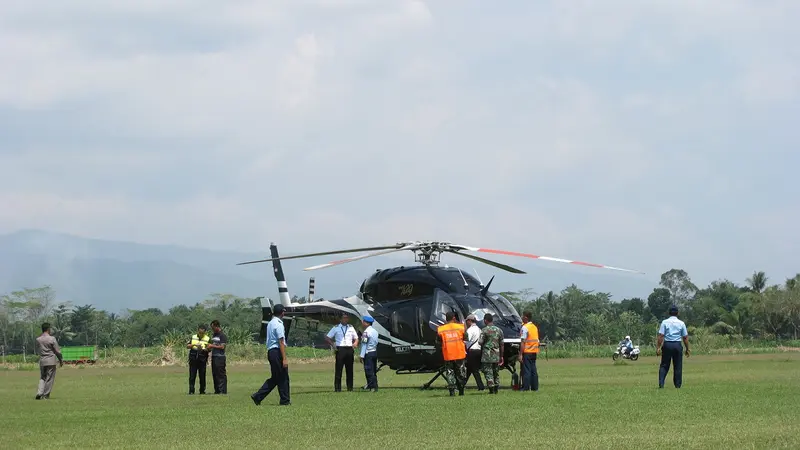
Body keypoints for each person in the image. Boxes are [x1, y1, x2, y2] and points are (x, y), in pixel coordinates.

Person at [251, 304, 290, 405]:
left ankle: (259, 397)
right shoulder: (279, 324)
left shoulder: (271, 323)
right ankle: (283, 400)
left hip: (271, 352)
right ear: (282, 312)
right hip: (277, 352)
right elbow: (281, 341)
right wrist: (284, 358)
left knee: (278, 377)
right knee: (282, 377)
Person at [656, 305, 690, 389]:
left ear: (669, 313)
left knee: (664, 365)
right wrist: (687, 349)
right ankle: (677, 385)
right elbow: (685, 337)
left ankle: (661, 384)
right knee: (678, 365)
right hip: (677, 345)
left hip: (667, 344)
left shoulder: (664, 322)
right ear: (677, 313)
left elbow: (661, 335)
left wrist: (658, 347)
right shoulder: (681, 323)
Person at [325, 312, 359, 392]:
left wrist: (355, 343)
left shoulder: (351, 327)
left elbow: (356, 338)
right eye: (344, 318)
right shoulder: (336, 328)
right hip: (340, 349)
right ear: (340, 319)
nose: (345, 319)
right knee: (338, 370)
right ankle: (337, 388)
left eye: (347, 318)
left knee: (350, 370)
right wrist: (333, 344)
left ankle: (350, 388)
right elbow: (327, 337)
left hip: (349, 349)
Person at [436, 311, 467, 396]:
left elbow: (438, 342)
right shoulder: (460, 327)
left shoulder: (441, 329)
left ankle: (452, 392)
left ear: (446, 318)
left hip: (448, 354)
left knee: (450, 372)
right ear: (454, 318)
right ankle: (461, 391)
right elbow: (466, 338)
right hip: (459, 354)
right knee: (461, 372)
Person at [35, 322, 63, 400]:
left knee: (42, 377)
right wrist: (61, 360)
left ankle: (39, 392)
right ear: (48, 329)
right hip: (51, 360)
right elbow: (57, 351)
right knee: (50, 378)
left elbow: (38, 350)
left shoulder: (38, 339)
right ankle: (45, 395)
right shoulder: (52, 339)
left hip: (42, 361)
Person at [478, 313, 504, 394]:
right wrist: (501, 356)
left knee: (488, 371)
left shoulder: (484, 330)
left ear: (485, 320)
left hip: (487, 355)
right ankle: (496, 387)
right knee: (496, 371)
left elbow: (480, 342)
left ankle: (491, 389)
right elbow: (502, 344)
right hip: (496, 354)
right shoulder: (499, 330)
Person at [518, 311, 540, 392]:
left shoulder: (525, 327)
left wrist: (520, 354)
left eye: (523, 316)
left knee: (526, 370)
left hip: (527, 351)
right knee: (533, 370)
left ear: (526, 318)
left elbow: (523, 341)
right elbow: (537, 341)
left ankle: (525, 387)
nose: (521, 318)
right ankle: (535, 387)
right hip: (534, 351)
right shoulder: (534, 327)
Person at [186, 324, 210, 395]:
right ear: (198, 331)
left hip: (202, 358)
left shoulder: (208, 338)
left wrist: (204, 349)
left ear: (205, 332)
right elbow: (187, 346)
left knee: (202, 376)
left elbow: (210, 349)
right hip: (193, 358)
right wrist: (194, 345)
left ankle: (202, 391)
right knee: (192, 376)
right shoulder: (193, 337)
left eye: (202, 333)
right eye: (200, 332)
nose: (201, 334)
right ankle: (191, 391)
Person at [464, 314, 485, 391]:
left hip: (472, 351)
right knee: (469, 369)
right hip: (478, 351)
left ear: (469, 321)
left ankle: (481, 386)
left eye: (466, 321)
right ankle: (462, 384)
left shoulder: (470, 330)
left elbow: (466, 340)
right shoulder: (479, 329)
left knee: (474, 370)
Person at [359, 315, 379, 392]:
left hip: (368, 353)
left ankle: (372, 387)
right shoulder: (375, 331)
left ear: (367, 323)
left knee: (368, 370)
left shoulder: (366, 332)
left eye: (363, 321)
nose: (362, 323)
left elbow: (364, 344)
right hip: (374, 352)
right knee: (374, 370)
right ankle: (375, 385)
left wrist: (361, 355)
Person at [208, 320, 228, 394]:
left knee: (221, 374)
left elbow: (222, 347)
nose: (212, 329)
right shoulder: (214, 335)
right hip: (214, 356)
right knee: (215, 373)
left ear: (217, 326)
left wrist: (212, 346)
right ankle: (217, 390)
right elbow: (213, 345)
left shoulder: (222, 335)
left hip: (220, 357)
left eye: (213, 327)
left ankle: (222, 390)